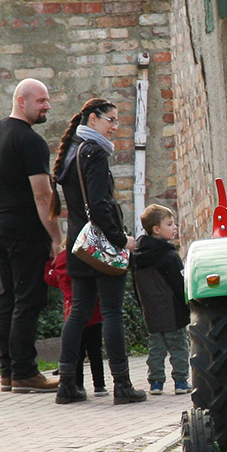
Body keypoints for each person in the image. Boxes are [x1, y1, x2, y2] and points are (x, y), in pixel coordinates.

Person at [50, 98, 146, 405]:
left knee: (78, 312)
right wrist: (122, 240)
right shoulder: (93, 153)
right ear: (93, 119)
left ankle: (67, 385)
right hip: (101, 246)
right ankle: (122, 385)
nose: (115, 127)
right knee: (112, 312)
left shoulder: (73, 151)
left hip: (78, 244)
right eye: (111, 120)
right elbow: (101, 204)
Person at [0, 78, 63, 394]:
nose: (47, 106)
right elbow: (42, 194)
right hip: (26, 231)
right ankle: (25, 373)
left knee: (9, 299)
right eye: (41, 101)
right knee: (28, 300)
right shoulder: (30, 141)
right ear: (21, 101)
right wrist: (56, 237)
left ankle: (8, 372)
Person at [132, 204, 191, 395]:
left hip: (151, 311)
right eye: (170, 224)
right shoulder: (169, 256)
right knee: (179, 347)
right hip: (173, 310)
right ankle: (181, 382)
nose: (175, 227)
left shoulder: (137, 257)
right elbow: (179, 284)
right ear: (156, 229)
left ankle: (156, 383)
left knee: (155, 349)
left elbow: (135, 287)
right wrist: (188, 304)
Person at [45, 248, 108, 396]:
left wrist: (49, 264)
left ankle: (78, 384)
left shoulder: (61, 262)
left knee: (77, 352)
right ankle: (99, 385)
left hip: (72, 313)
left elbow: (51, 279)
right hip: (94, 311)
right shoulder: (89, 256)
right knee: (95, 351)